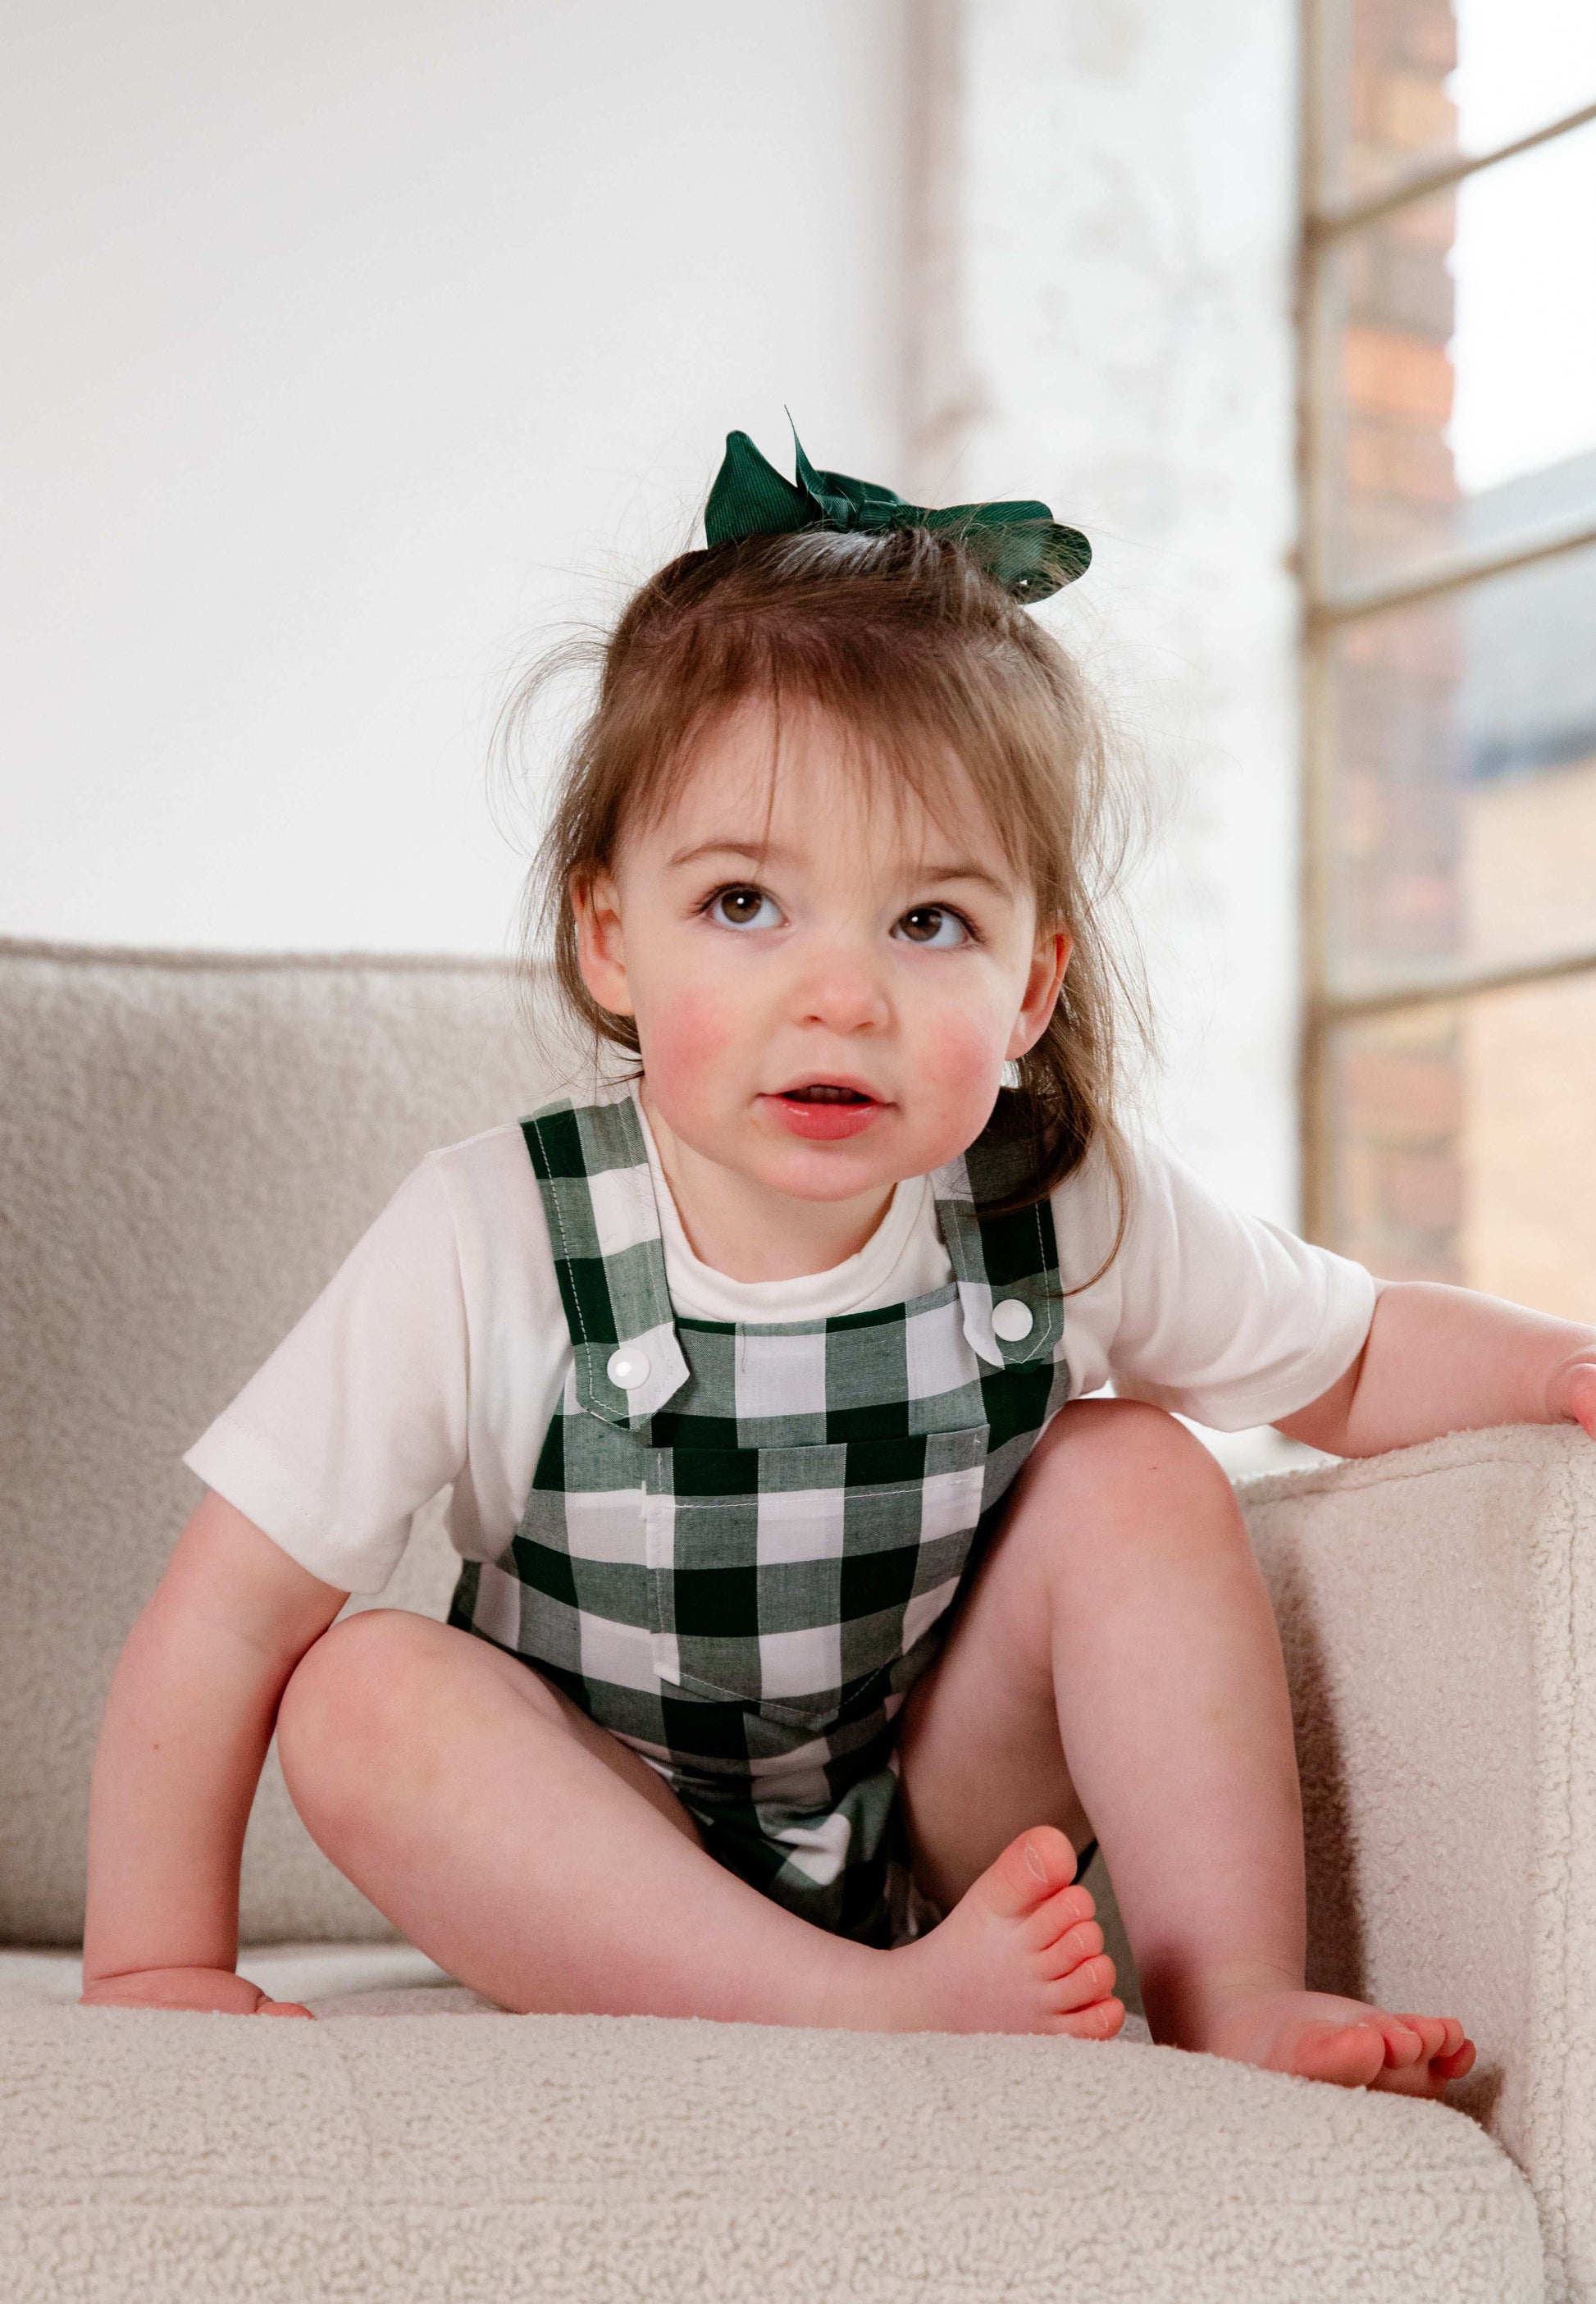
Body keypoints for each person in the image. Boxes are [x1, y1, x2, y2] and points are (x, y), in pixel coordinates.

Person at [81, 430, 1596, 2094]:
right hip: (599, 1841)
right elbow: (223, 1619)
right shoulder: (496, 1233)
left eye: (927, 922)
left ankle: (1230, 1988)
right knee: (357, 1687)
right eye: (744, 904)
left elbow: (1355, 1355)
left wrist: (1548, 1368)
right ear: (611, 940)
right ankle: (861, 2013)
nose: (841, 995)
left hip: (927, 1814)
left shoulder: (1052, 1197)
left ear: (1029, 988)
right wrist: (157, 1961)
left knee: (1137, 1468)